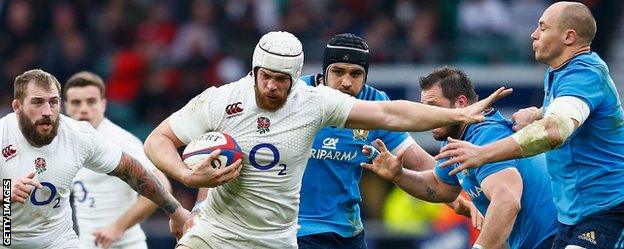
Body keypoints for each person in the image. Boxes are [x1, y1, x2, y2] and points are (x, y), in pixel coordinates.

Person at [143, 31, 510, 249]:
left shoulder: (333, 104)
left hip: (319, 234)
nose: (272, 86)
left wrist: (464, 193)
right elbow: (193, 147)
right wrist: (191, 185)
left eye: (356, 74)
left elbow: (397, 121)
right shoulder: (226, 100)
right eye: (339, 72)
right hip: (255, 231)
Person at [434, 2, 624, 248]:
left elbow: (554, 131)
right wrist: (537, 112)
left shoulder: (583, 75)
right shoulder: (562, 72)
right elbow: (569, 109)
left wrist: (483, 154)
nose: (533, 34)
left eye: (543, 28)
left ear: (568, 37)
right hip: (571, 215)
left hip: (609, 207)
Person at [296, 34, 480, 249]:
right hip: (297, 229)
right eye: (338, 72)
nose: (346, 82)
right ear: (324, 72)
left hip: (347, 231)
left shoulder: (374, 103)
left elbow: (421, 163)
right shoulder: (298, 96)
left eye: (355, 74)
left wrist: (470, 198)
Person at [361, 66, 558, 249]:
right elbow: (440, 187)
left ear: (461, 103)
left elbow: (507, 201)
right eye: (425, 108)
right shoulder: (453, 139)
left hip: (555, 238)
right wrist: (399, 175)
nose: (428, 115)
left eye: (434, 106)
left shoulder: (485, 134)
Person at [0, 69, 190, 249]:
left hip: (60, 241)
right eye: (38, 102)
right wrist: (3, 193)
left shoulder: (80, 136)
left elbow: (131, 169)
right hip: (8, 239)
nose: (47, 111)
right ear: (17, 106)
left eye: (53, 102)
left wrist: (176, 211)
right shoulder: (3, 135)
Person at [64, 71, 173, 249]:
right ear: (66, 107)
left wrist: (118, 228)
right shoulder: (67, 144)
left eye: (91, 101)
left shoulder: (120, 141)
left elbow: (162, 186)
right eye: (76, 102)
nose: (83, 108)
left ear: (103, 104)